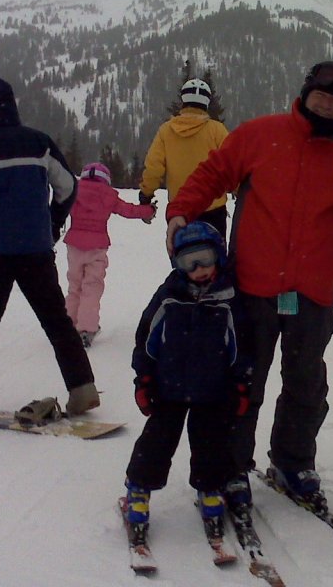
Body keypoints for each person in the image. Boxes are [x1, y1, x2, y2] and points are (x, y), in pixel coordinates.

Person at [163, 61, 333, 511]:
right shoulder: (259, 135)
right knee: (244, 384)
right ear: (306, 93)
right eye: (321, 95)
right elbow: (212, 174)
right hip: (252, 287)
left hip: (313, 295)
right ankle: (233, 468)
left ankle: (293, 461)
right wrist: (181, 211)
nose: (326, 103)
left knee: (305, 383)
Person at [0, 77, 99, 419]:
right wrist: (53, 221)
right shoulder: (39, 142)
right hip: (36, 252)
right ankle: (82, 389)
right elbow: (69, 187)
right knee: (57, 322)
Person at [122, 221, 253, 546]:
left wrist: (241, 385)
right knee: (157, 442)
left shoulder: (229, 300)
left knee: (211, 444)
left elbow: (242, 347)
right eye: (188, 262)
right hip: (168, 390)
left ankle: (210, 490)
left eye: (204, 259)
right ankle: (138, 490)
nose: (198, 269)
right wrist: (144, 379)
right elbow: (146, 339)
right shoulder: (169, 298)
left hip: (213, 391)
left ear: (218, 257)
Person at [64, 161, 156, 346]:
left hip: (73, 246)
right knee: (91, 287)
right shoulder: (108, 195)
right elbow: (128, 210)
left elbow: (58, 205)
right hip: (97, 248)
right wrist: (149, 211)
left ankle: (67, 325)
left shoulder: (74, 191)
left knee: (74, 286)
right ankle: (86, 329)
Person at [139, 78, 230, 244]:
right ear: (207, 101)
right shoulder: (217, 130)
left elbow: (154, 167)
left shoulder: (166, 130)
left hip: (179, 210)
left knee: (184, 260)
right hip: (213, 209)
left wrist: (146, 194)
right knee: (215, 261)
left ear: (183, 100)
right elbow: (232, 163)